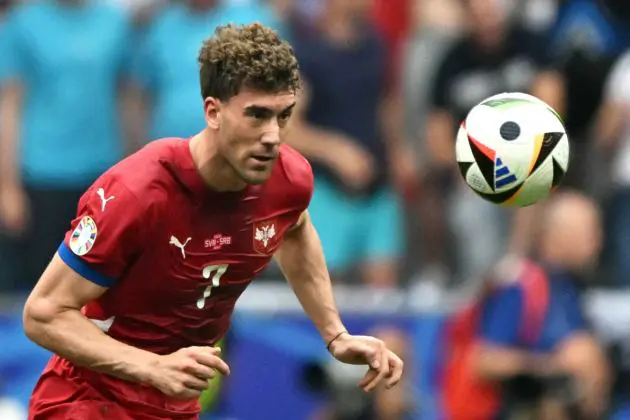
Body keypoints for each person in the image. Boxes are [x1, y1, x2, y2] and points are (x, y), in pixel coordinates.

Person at [22, 23, 404, 420]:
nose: (273, 136)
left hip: (175, 406)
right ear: (213, 111)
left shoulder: (288, 180)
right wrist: (151, 366)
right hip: (87, 401)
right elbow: (43, 313)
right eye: (256, 115)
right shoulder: (138, 192)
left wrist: (334, 334)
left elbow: (295, 229)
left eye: (283, 115)